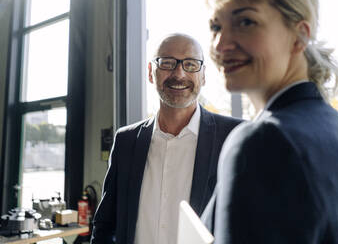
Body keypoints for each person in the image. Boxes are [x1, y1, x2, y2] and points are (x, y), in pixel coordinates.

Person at [201, 0, 338, 243]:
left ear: (299, 36)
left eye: (245, 22)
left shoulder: (263, 140)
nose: (221, 44)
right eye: (216, 26)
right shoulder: (334, 125)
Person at [90, 33, 243, 244]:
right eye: (167, 63)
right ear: (151, 73)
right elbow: (105, 225)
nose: (179, 73)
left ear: (203, 76)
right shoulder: (126, 141)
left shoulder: (234, 137)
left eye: (190, 64)